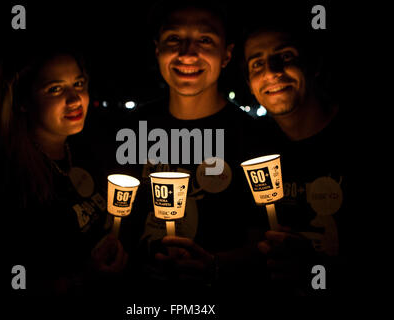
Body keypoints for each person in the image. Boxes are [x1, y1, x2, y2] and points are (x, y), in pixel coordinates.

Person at [107, 0, 267, 298]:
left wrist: (217, 267)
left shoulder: (252, 136)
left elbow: (265, 241)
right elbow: (119, 222)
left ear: (227, 55)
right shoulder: (131, 129)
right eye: (174, 39)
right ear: (157, 49)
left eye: (205, 39)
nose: (187, 53)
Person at [0, 47, 128, 295]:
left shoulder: (85, 152)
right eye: (55, 89)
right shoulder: (5, 179)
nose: (75, 99)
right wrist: (80, 279)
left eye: (78, 84)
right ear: (23, 101)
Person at [241, 17, 353, 295]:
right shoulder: (255, 152)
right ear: (250, 84)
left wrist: (318, 270)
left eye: (285, 56)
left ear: (314, 64)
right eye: (257, 63)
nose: (272, 72)